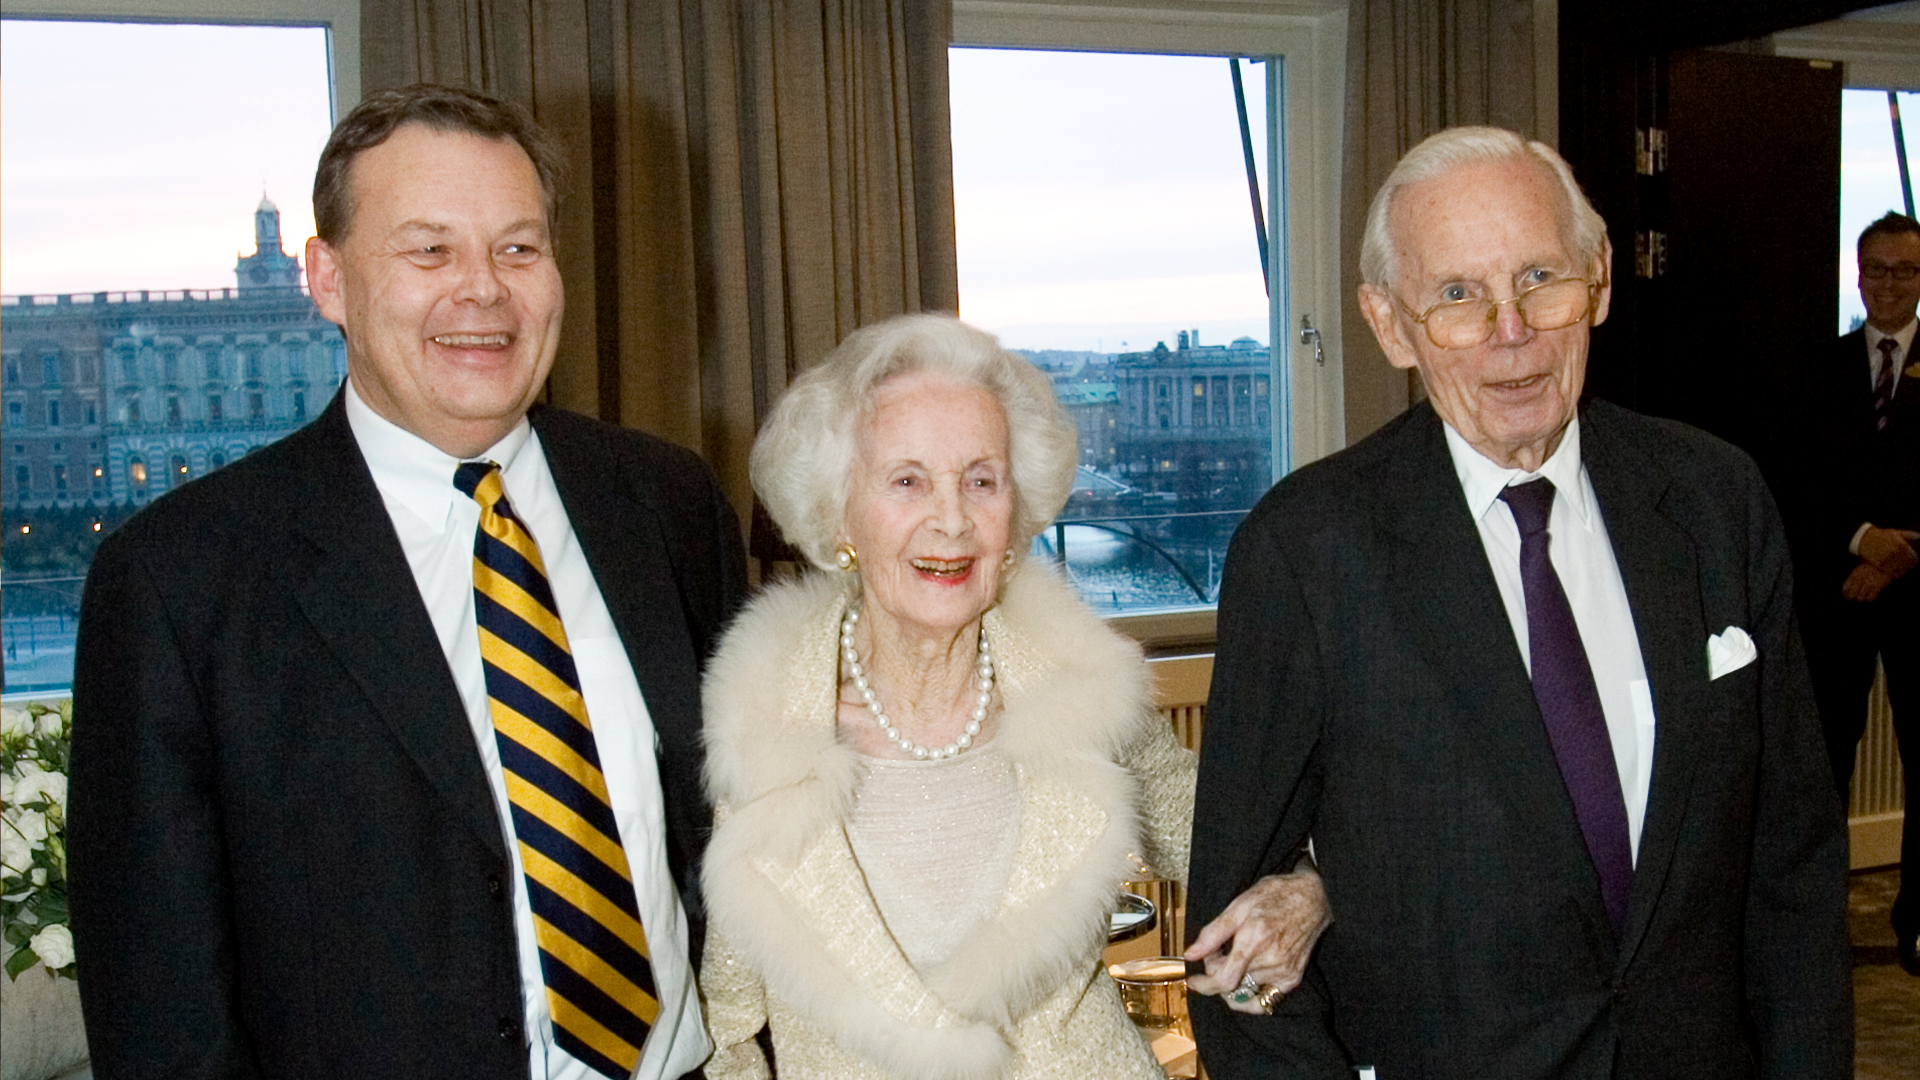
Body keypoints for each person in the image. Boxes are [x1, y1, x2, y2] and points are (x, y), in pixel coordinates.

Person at [67, 85, 746, 1080]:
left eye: (518, 248)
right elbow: (161, 1011)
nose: (483, 291)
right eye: (429, 250)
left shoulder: (666, 503)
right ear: (328, 278)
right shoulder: (179, 581)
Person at [1186, 126, 1852, 1078]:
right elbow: (1234, 957)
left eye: (1541, 278)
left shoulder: (1714, 500)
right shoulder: (1307, 552)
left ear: (1600, 279)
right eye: (1458, 296)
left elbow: (1792, 866)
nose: (1512, 332)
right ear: (1389, 325)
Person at [696, 314, 1328, 1079]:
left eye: (981, 481)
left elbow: (1235, 844)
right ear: (838, 514)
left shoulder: (1082, 691)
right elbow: (729, 1027)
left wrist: (1311, 891)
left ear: (1016, 510)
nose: (952, 520)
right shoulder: (766, 726)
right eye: (907, 481)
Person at [1769, 211, 1920, 977]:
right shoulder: (1816, 370)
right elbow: (1792, 477)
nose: (1889, 284)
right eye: (1877, 270)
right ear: (1858, 277)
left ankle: (1916, 923)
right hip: (1839, 596)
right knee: (1823, 762)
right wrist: (1862, 541)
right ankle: (1816, 922)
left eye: (1905, 270)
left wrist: (1898, 557)